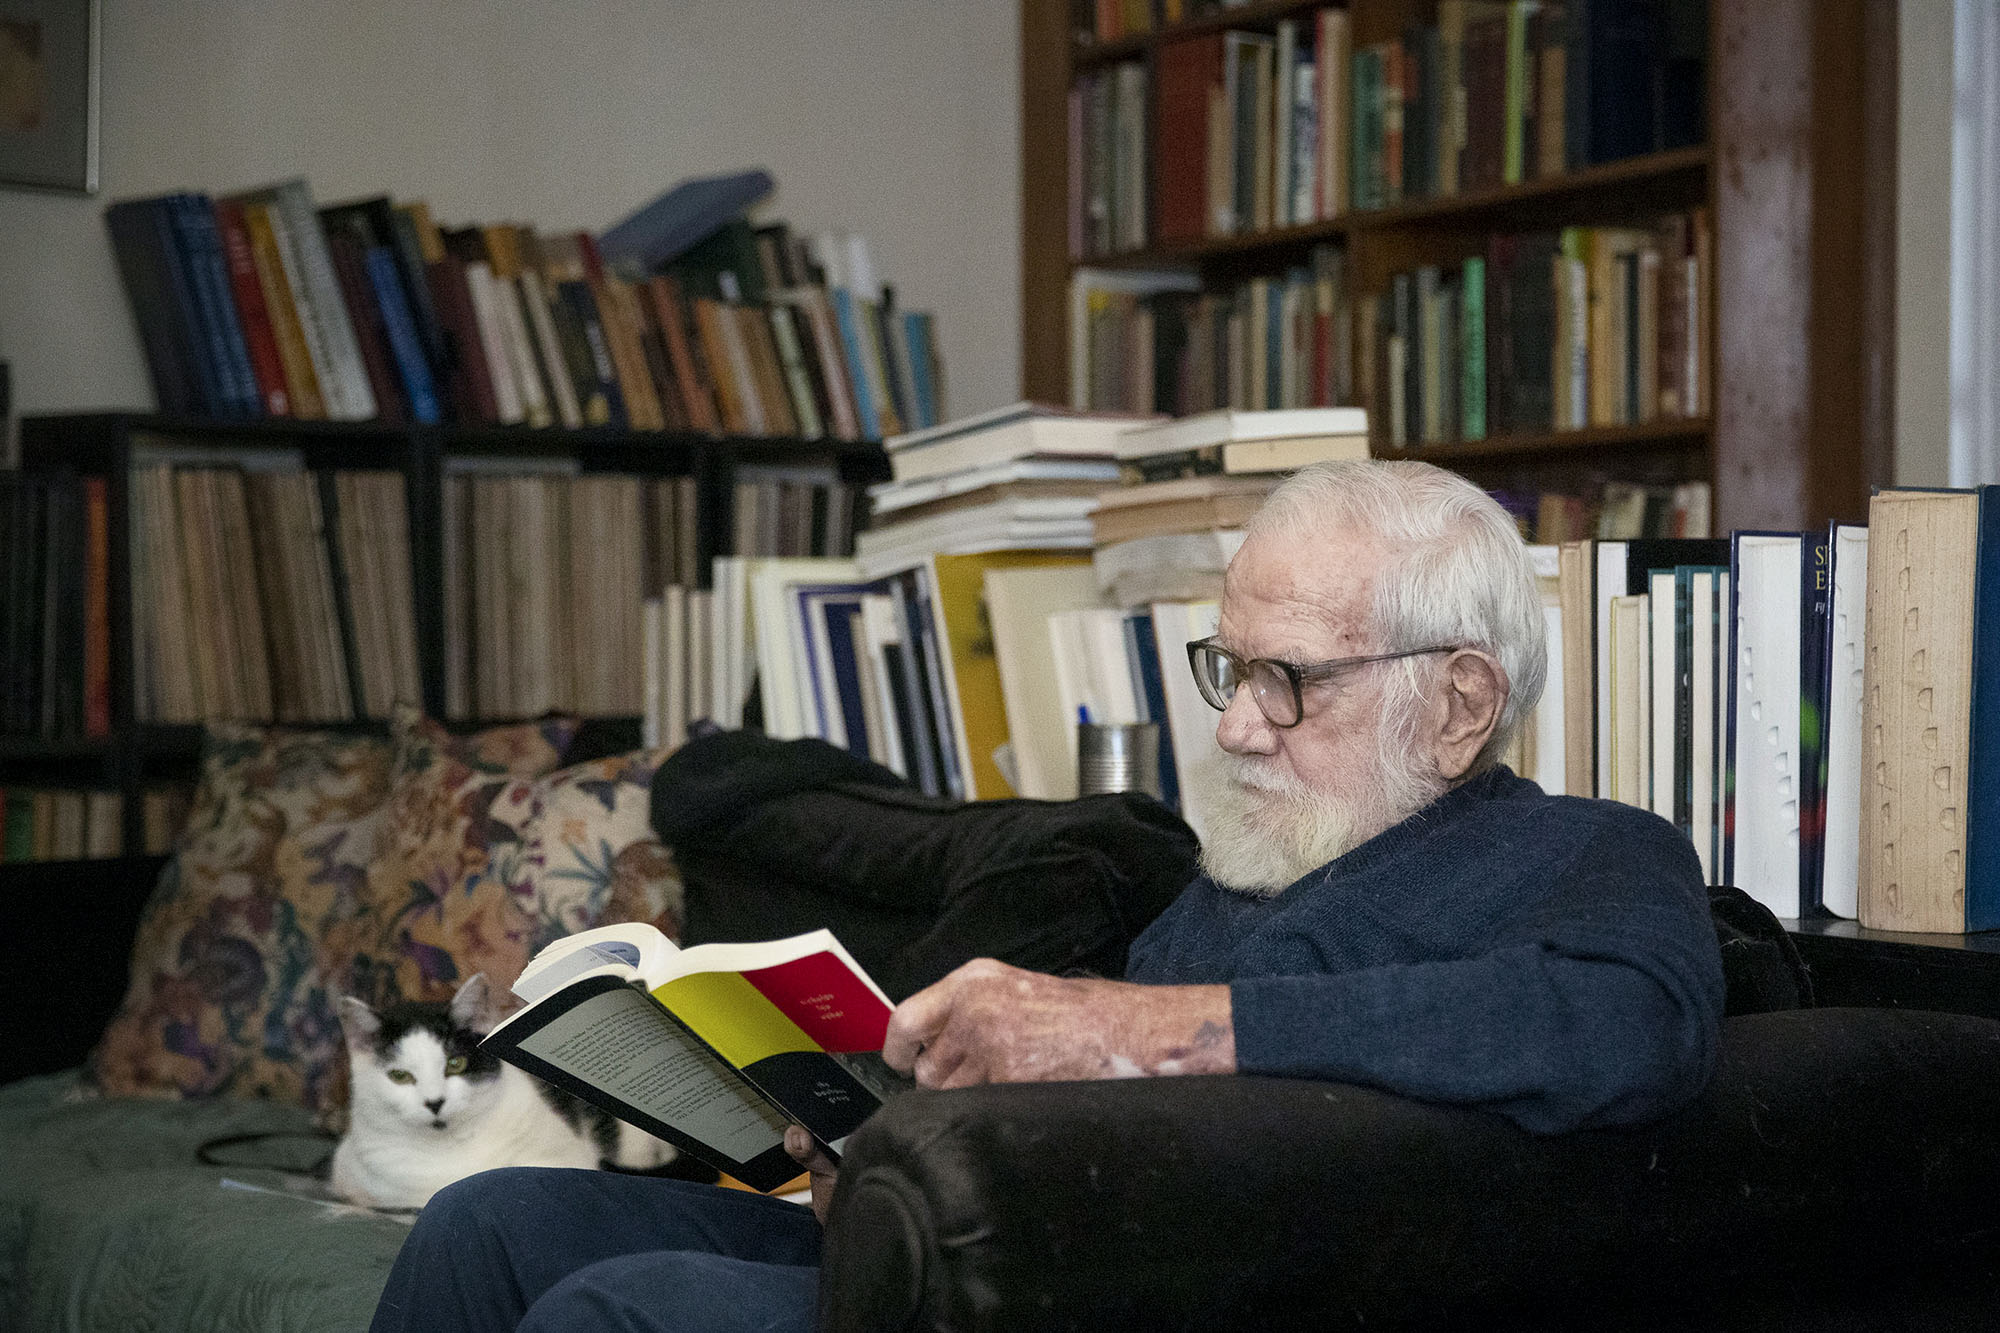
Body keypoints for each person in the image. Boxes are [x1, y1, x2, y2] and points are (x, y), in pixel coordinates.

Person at [369, 459, 1725, 1333]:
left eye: (1288, 680)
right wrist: (845, 1127)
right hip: (935, 1222)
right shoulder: (1244, 867)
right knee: (484, 1225)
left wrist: (1142, 1028)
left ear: (1461, 702)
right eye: (1228, 669)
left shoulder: (1585, 855)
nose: (1240, 730)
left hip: (1092, 1289)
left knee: (617, 1310)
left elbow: (1632, 1024)